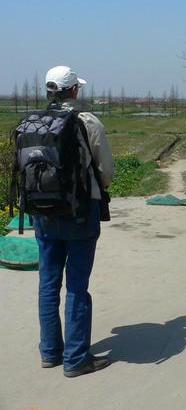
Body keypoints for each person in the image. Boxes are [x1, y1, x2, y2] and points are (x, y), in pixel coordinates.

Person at [36, 65, 114, 377]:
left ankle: (50, 352)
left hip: (42, 213)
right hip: (80, 214)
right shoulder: (87, 122)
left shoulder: (34, 122)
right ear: (74, 91)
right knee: (77, 288)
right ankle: (76, 358)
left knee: (48, 283)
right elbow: (106, 172)